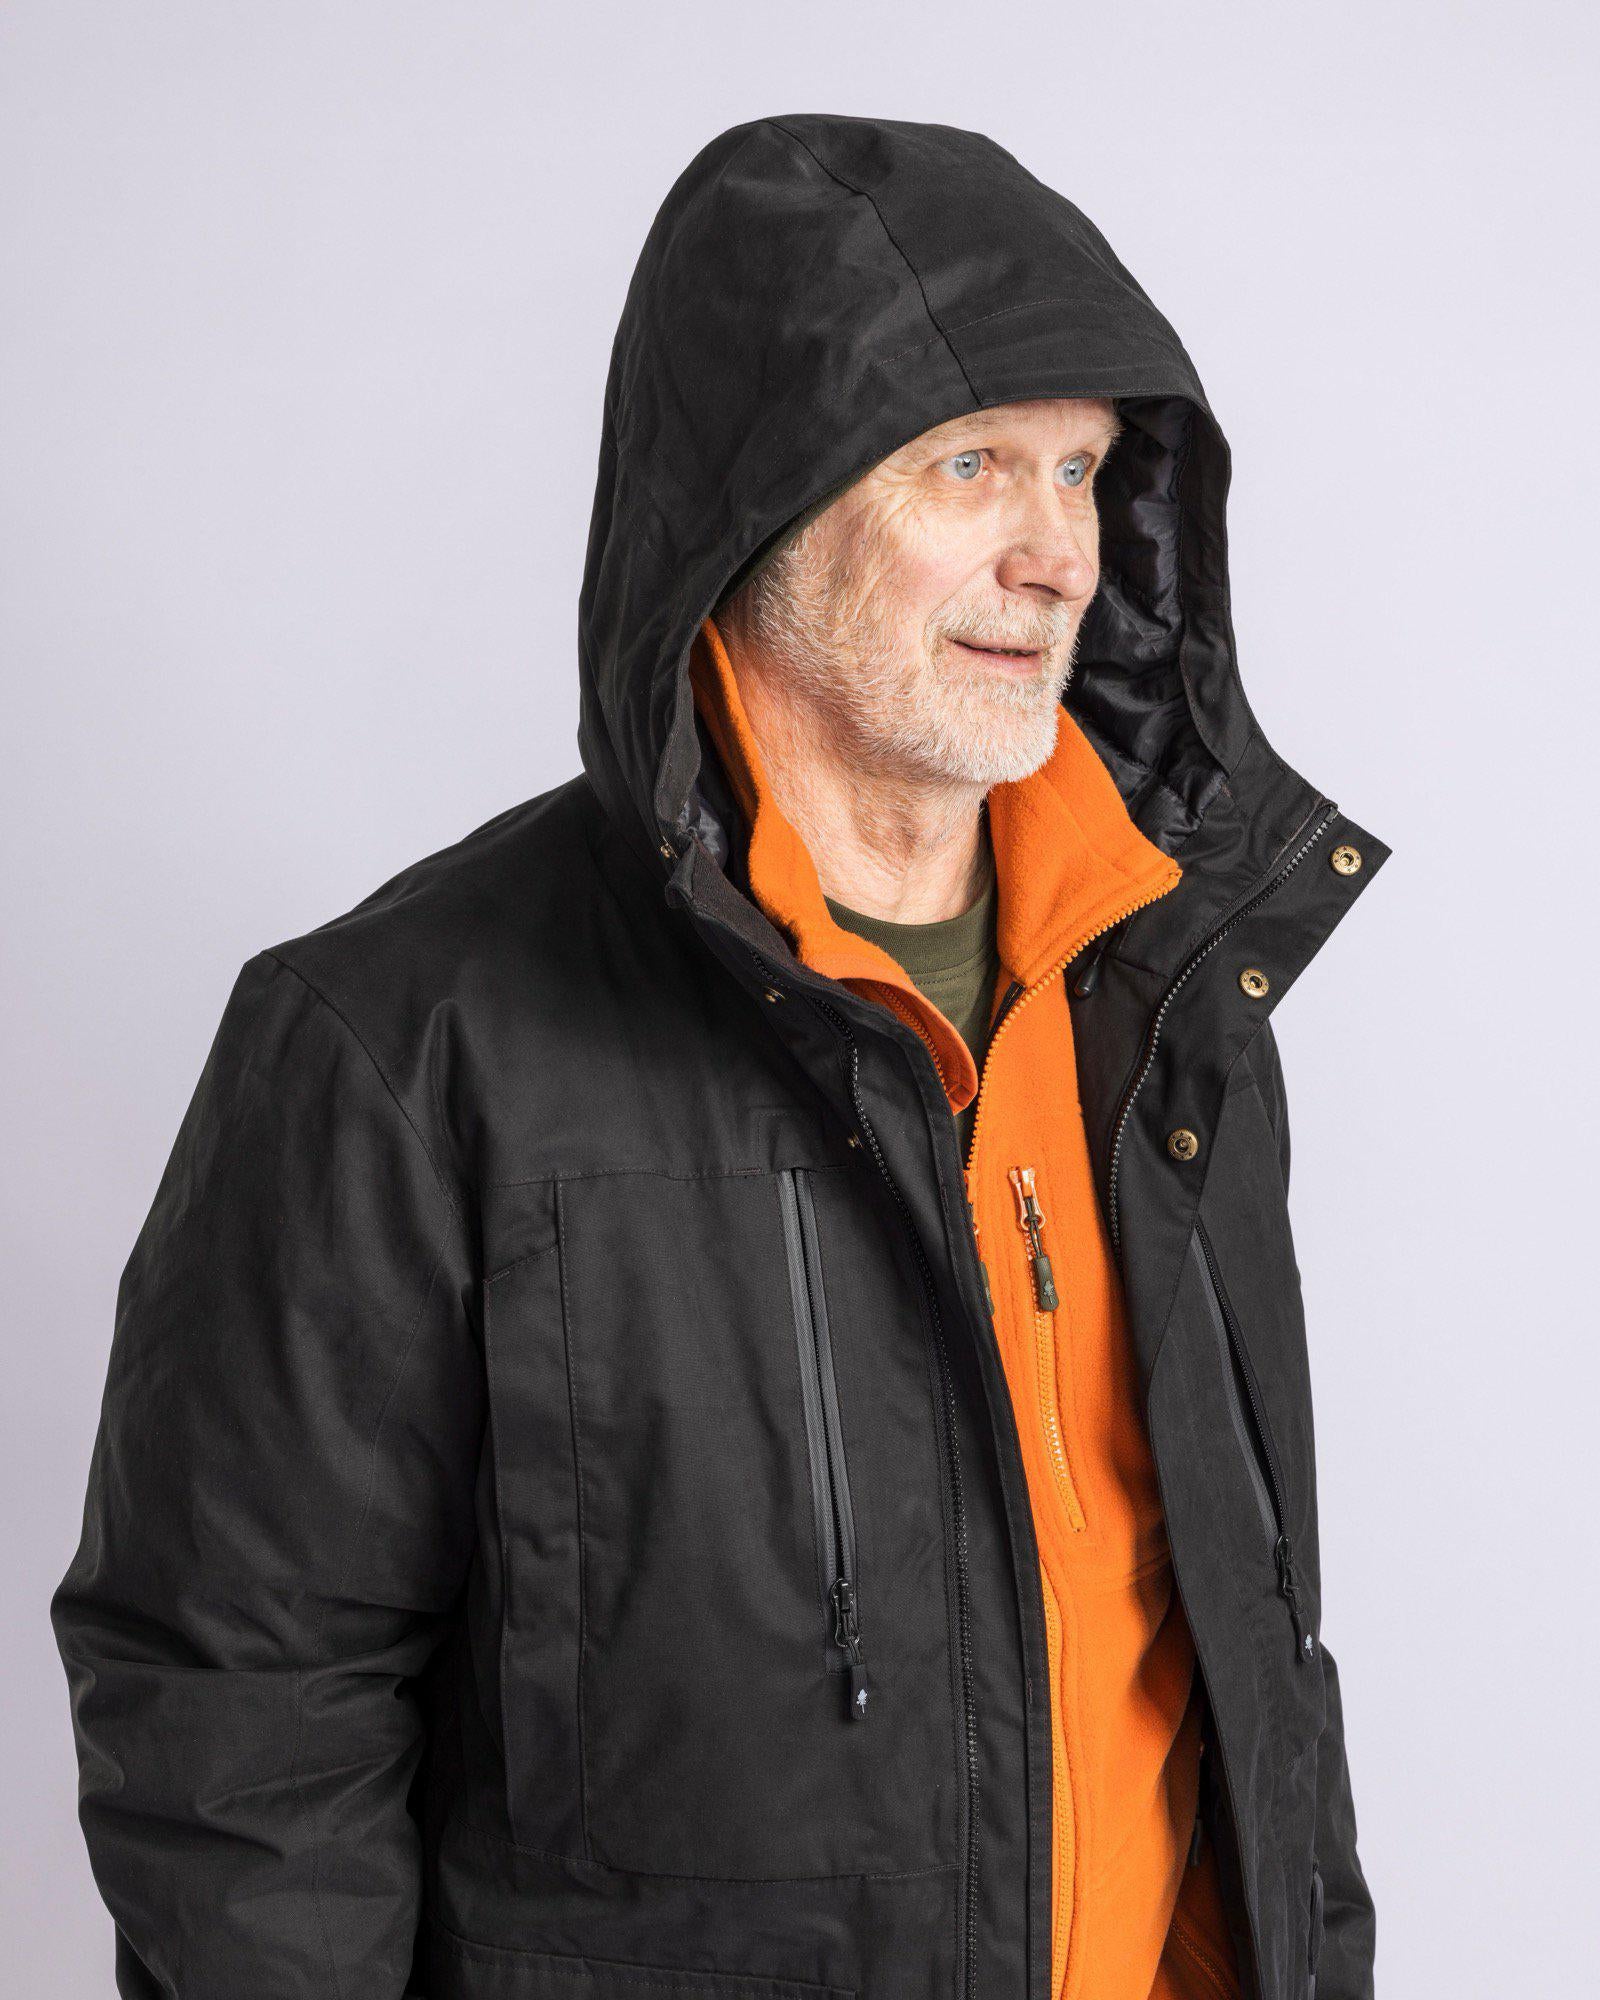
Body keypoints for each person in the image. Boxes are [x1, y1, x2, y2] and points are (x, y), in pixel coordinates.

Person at [53, 113, 1388, 2000]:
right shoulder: (401, 1047)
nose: (1058, 557)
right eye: (970, 465)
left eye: (1084, 471)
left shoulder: (1162, 1004)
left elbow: (1255, 1652)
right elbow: (237, 1728)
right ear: (753, 502)